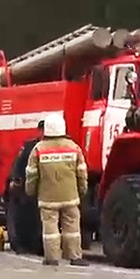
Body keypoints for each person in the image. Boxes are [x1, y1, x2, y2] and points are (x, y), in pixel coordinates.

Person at [25, 113, 89, 267]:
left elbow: (32, 174)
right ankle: (74, 256)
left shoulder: (38, 149)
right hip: (70, 195)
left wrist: (31, 191)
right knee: (72, 226)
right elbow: (81, 172)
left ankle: (52, 257)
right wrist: (82, 189)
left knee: (50, 228)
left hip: (48, 197)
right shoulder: (74, 147)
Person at [6, 120, 44, 255]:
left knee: (39, 220)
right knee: (25, 217)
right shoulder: (30, 146)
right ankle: (23, 244)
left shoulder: (46, 146)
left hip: (43, 188)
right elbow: (19, 163)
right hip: (28, 187)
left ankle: (37, 244)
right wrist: (16, 180)